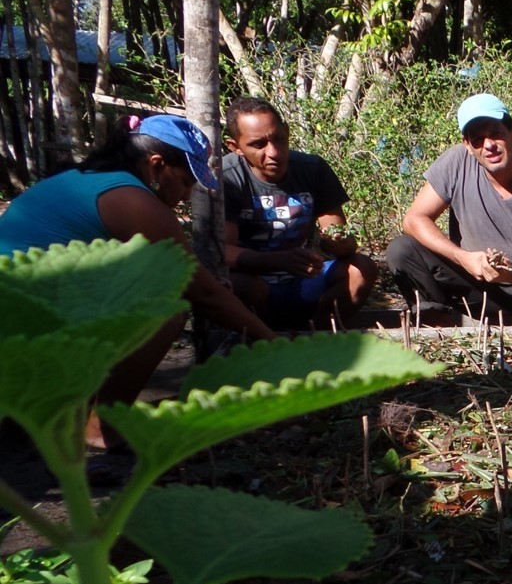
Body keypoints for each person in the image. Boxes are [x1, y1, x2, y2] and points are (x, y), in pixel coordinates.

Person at [0, 114, 277, 448]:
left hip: (22, 307)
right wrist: (272, 342)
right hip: (19, 318)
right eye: (187, 181)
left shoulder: (87, 178)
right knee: (164, 308)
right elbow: (200, 291)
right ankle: (101, 426)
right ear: (157, 166)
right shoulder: (132, 199)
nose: (188, 194)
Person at [386, 93, 512, 325]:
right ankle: (439, 320)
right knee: (402, 249)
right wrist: (463, 258)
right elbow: (414, 219)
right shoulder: (456, 162)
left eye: (496, 134)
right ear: (467, 145)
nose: (488, 145)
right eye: (478, 139)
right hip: (470, 281)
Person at [221, 97, 377, 330]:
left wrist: (337, 241)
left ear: (287, 131)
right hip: (256, 283)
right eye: (258, 144)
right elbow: (222, 251)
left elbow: (340, 236)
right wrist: (278, 261)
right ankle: (260, 337)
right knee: (235, 284)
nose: (273, 152)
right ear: (235, 147)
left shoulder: (312, 169)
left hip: (306, 279)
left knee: (361, 268)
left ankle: (317, 335)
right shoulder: (227, 177)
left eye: (279, 139)